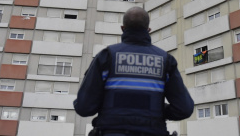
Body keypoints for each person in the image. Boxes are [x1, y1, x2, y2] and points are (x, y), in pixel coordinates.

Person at [74, 7, 194, 136]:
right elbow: (184, 109)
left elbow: (84, 107)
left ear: (123, 28)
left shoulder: (106, 57)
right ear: (148, 30)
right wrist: (157, 110)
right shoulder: (166, 60)